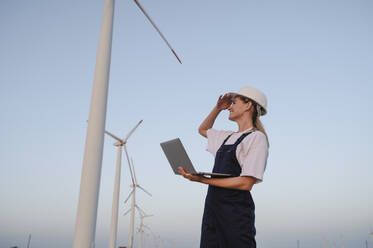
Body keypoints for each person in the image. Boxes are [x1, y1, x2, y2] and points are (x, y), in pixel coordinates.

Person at [178, 86, 269, 248]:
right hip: (213, 210)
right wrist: (217, 108)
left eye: (234, 103)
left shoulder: (256, 138)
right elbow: (203, 129)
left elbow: (246, 183)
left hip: (236, 213)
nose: (230, 107)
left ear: (248, 105)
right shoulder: (226, 137)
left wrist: (202, 180)